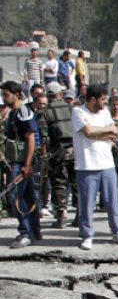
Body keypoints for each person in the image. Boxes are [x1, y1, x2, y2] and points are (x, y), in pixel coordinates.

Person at [70, 84, 118, 249]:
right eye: (103, 99)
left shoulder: (105, 112)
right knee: (87, 202)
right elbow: (88, 132)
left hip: (107, 163)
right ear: (93, 99)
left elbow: (115, 130)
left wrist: (105, 131)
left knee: (112, 200)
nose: (106, 103)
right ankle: (87, 235)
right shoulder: (78, 112)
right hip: (87, 165)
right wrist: (106, 132)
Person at [1, 81, 41, 248]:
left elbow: (30, 138)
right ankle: (34, 230)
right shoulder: (12, 113)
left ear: (16, 95)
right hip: (16, 161)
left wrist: (28, 164)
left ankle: (26, 233)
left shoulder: (23, 112)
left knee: (15, 196)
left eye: (6, 95)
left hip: (22, 162)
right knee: (28, 196)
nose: (4, 98)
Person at [42, 82, 77, 229]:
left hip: (57, 152)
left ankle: (61, 216)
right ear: (60, 94)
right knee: (76, 183)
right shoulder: (71, 108)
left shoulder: (45, 111)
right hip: (74, 151)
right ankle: (80, 214)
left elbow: (44, 136)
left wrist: (44, 155)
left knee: (58, 183)